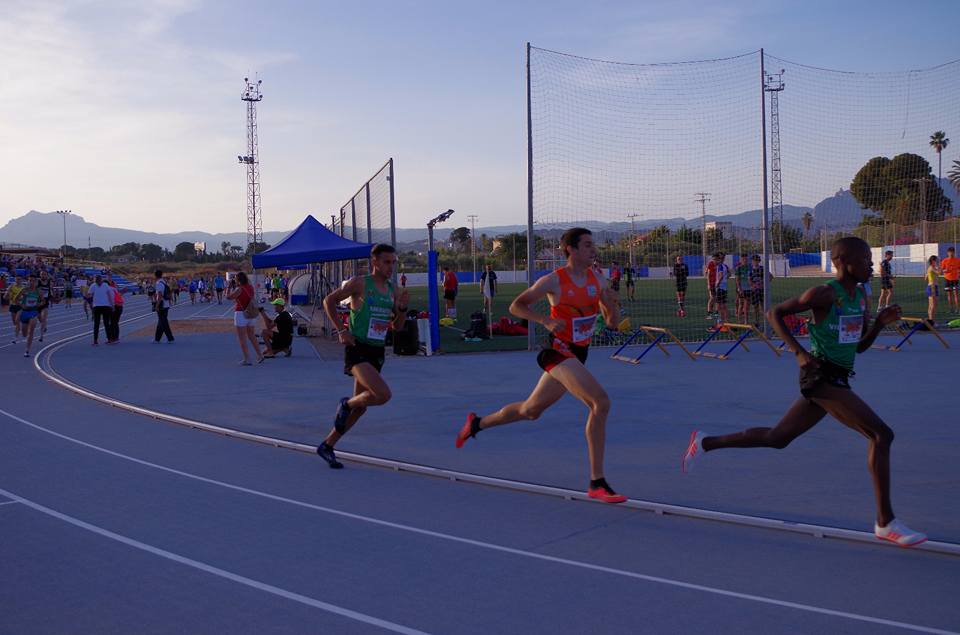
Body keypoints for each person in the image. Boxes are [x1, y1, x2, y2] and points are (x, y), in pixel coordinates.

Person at [682, 237, 926, 547]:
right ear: (845, 262)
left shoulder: (861, 298)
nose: (872, 265)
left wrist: (878, 324)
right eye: (865, 260)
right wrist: (798, 353)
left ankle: (704, 442)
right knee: (881, 435)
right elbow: (774, 314)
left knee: (778, 438)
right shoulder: (824, 293)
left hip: (838, 378)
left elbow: (859, 347)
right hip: (819, 377)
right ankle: (885, 521)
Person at [455, 228, 626, 504]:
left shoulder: (599, 279)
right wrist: (544, 320)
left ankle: (477, 424)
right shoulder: (553, 281)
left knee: (530, 410)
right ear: (570, 249)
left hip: (578, 354)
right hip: (556, 352)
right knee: (600, 403)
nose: (593, 250)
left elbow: (612, 323)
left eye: (593, 245)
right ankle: (597, 482)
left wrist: (613, 306)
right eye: (586, 245)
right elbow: (516, 306)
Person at [318, 244, 408, 469]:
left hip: (377, 350)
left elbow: (397, 326)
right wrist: (341, 330)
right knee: (382, 394)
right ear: (375, 262)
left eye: (393, 262)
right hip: (357, 347)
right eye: (387, 262)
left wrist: (403, 310)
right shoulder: (360, 283)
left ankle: (327, 445)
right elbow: (328, 301)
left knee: (362, 407)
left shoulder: (393, 290)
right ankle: (346, 403)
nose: (391, 266)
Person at [226, 271, 263, 365]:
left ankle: (247, 359)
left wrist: (228, 287)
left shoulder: (239, 289)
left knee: (242, 338)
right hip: (251, 313)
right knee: (252, 335)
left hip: (241, 313)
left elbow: (228, 297)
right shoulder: (250, 288)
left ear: (238, 280)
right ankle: (260, 355)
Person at [17, 275, 42, 358]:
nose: (31, 282)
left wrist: (39, 304)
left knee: (31, 331)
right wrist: (21, 305)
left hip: (33, 312)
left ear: (36, 282)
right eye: (30, 280)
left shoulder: (38, 291)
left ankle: (27, 350)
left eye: (33, 281)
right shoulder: (24, 290)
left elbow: (43, 301)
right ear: (28, 281)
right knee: (24, 334)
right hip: (24, 313)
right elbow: (16, 299)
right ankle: (25, 338)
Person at [87, 274, 115, 346]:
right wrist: (112, 305)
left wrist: (91, 296)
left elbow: (89, 295)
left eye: (97, 281)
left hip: (99, 306)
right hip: (103, 306)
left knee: (98, 324)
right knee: (105, 324)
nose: (98, 282)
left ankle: (96, 341)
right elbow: (109, 295)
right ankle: (108, 339)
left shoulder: (94, 285)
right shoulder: (104, 285)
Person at [748, 254, 772, 327]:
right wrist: (753, 285)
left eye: (756, 261)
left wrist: (764, 283)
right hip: (754, 291)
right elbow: (749, 280)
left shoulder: (762, 269)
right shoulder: (750, 270)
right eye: (753, 261)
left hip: (762, 290)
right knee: (755, 306)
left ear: (759, 261)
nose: (755, 262)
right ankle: (757, 321)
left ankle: (766, 321)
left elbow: (771, 276)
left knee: (763, 306)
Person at [153, 269, 175, 343]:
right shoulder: (164, 282)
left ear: (155, 275)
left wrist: (156, 305)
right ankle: (157, 339)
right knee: (161, 322)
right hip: (166, 304)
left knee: (164, 322)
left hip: (162, 305)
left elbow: (159, 295)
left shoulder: (159, 283)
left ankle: (170, 338)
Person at [711, 252, 730, 324]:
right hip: (724, 288)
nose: (713, 261)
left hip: (720, 288)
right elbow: (729, 274)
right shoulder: (724, 265)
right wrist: (725, 279)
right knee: (724, 306)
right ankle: (726, 322)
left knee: (718, 306)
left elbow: (721, 275)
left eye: (714, 260)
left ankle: (719, 323)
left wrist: (717, 284)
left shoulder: (720, 266)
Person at [939, 247, 960, 314]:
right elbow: (940, 271)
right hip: (947, 279)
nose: (951, 253)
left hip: (955, 280)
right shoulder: (944, 261)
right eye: (950, 252)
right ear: (947, 253)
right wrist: (946, 270)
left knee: (956, 295)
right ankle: (951, 309)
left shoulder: (957, 260)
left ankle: (958, 309)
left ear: (954, 252)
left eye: (952, 252)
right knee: (949, 295)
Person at [5, 276, 23, 344]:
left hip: (20, 306)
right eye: (17, 279)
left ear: (21, 280)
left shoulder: (23, 288)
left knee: (17, 320)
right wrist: (8, 295)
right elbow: (6, 296)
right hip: (13, 306)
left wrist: (20, 299)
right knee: (14, 322)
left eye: (19, 279)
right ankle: (18, 330)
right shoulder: (11, 286)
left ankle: (15, 338)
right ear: (15, 280)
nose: (18, 280)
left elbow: (25, 297)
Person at [734, 254, 751, 322]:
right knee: (741, 305)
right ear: (741, 260)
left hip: (749, 289)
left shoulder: (750, 267)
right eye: (743, 259)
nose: (745, 260)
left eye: (746, 259)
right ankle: (739, 321)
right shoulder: (739, 268)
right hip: (741, 289)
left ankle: (746, 321)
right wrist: (739, 288)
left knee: (747, 306)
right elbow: (737, 280)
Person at [107, 279, 124, 343]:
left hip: (115, 306)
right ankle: (115, 338)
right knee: (115, 323)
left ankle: (114, 338)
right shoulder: (114, 289)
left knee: (113, 323)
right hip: (119, 306)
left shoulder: (110, 289)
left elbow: (111, 299)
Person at [926, 255, 940, 324]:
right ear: (932, 261)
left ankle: (930, 320)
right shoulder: (931, 267)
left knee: (932, 305)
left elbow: (925, 278)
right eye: (936, 260)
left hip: (934, 286)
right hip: (932, 287)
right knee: (932, 305)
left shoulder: (931, 268)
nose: (937, 262)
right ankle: (931, 321)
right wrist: (939, 267)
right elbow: (939, 273)